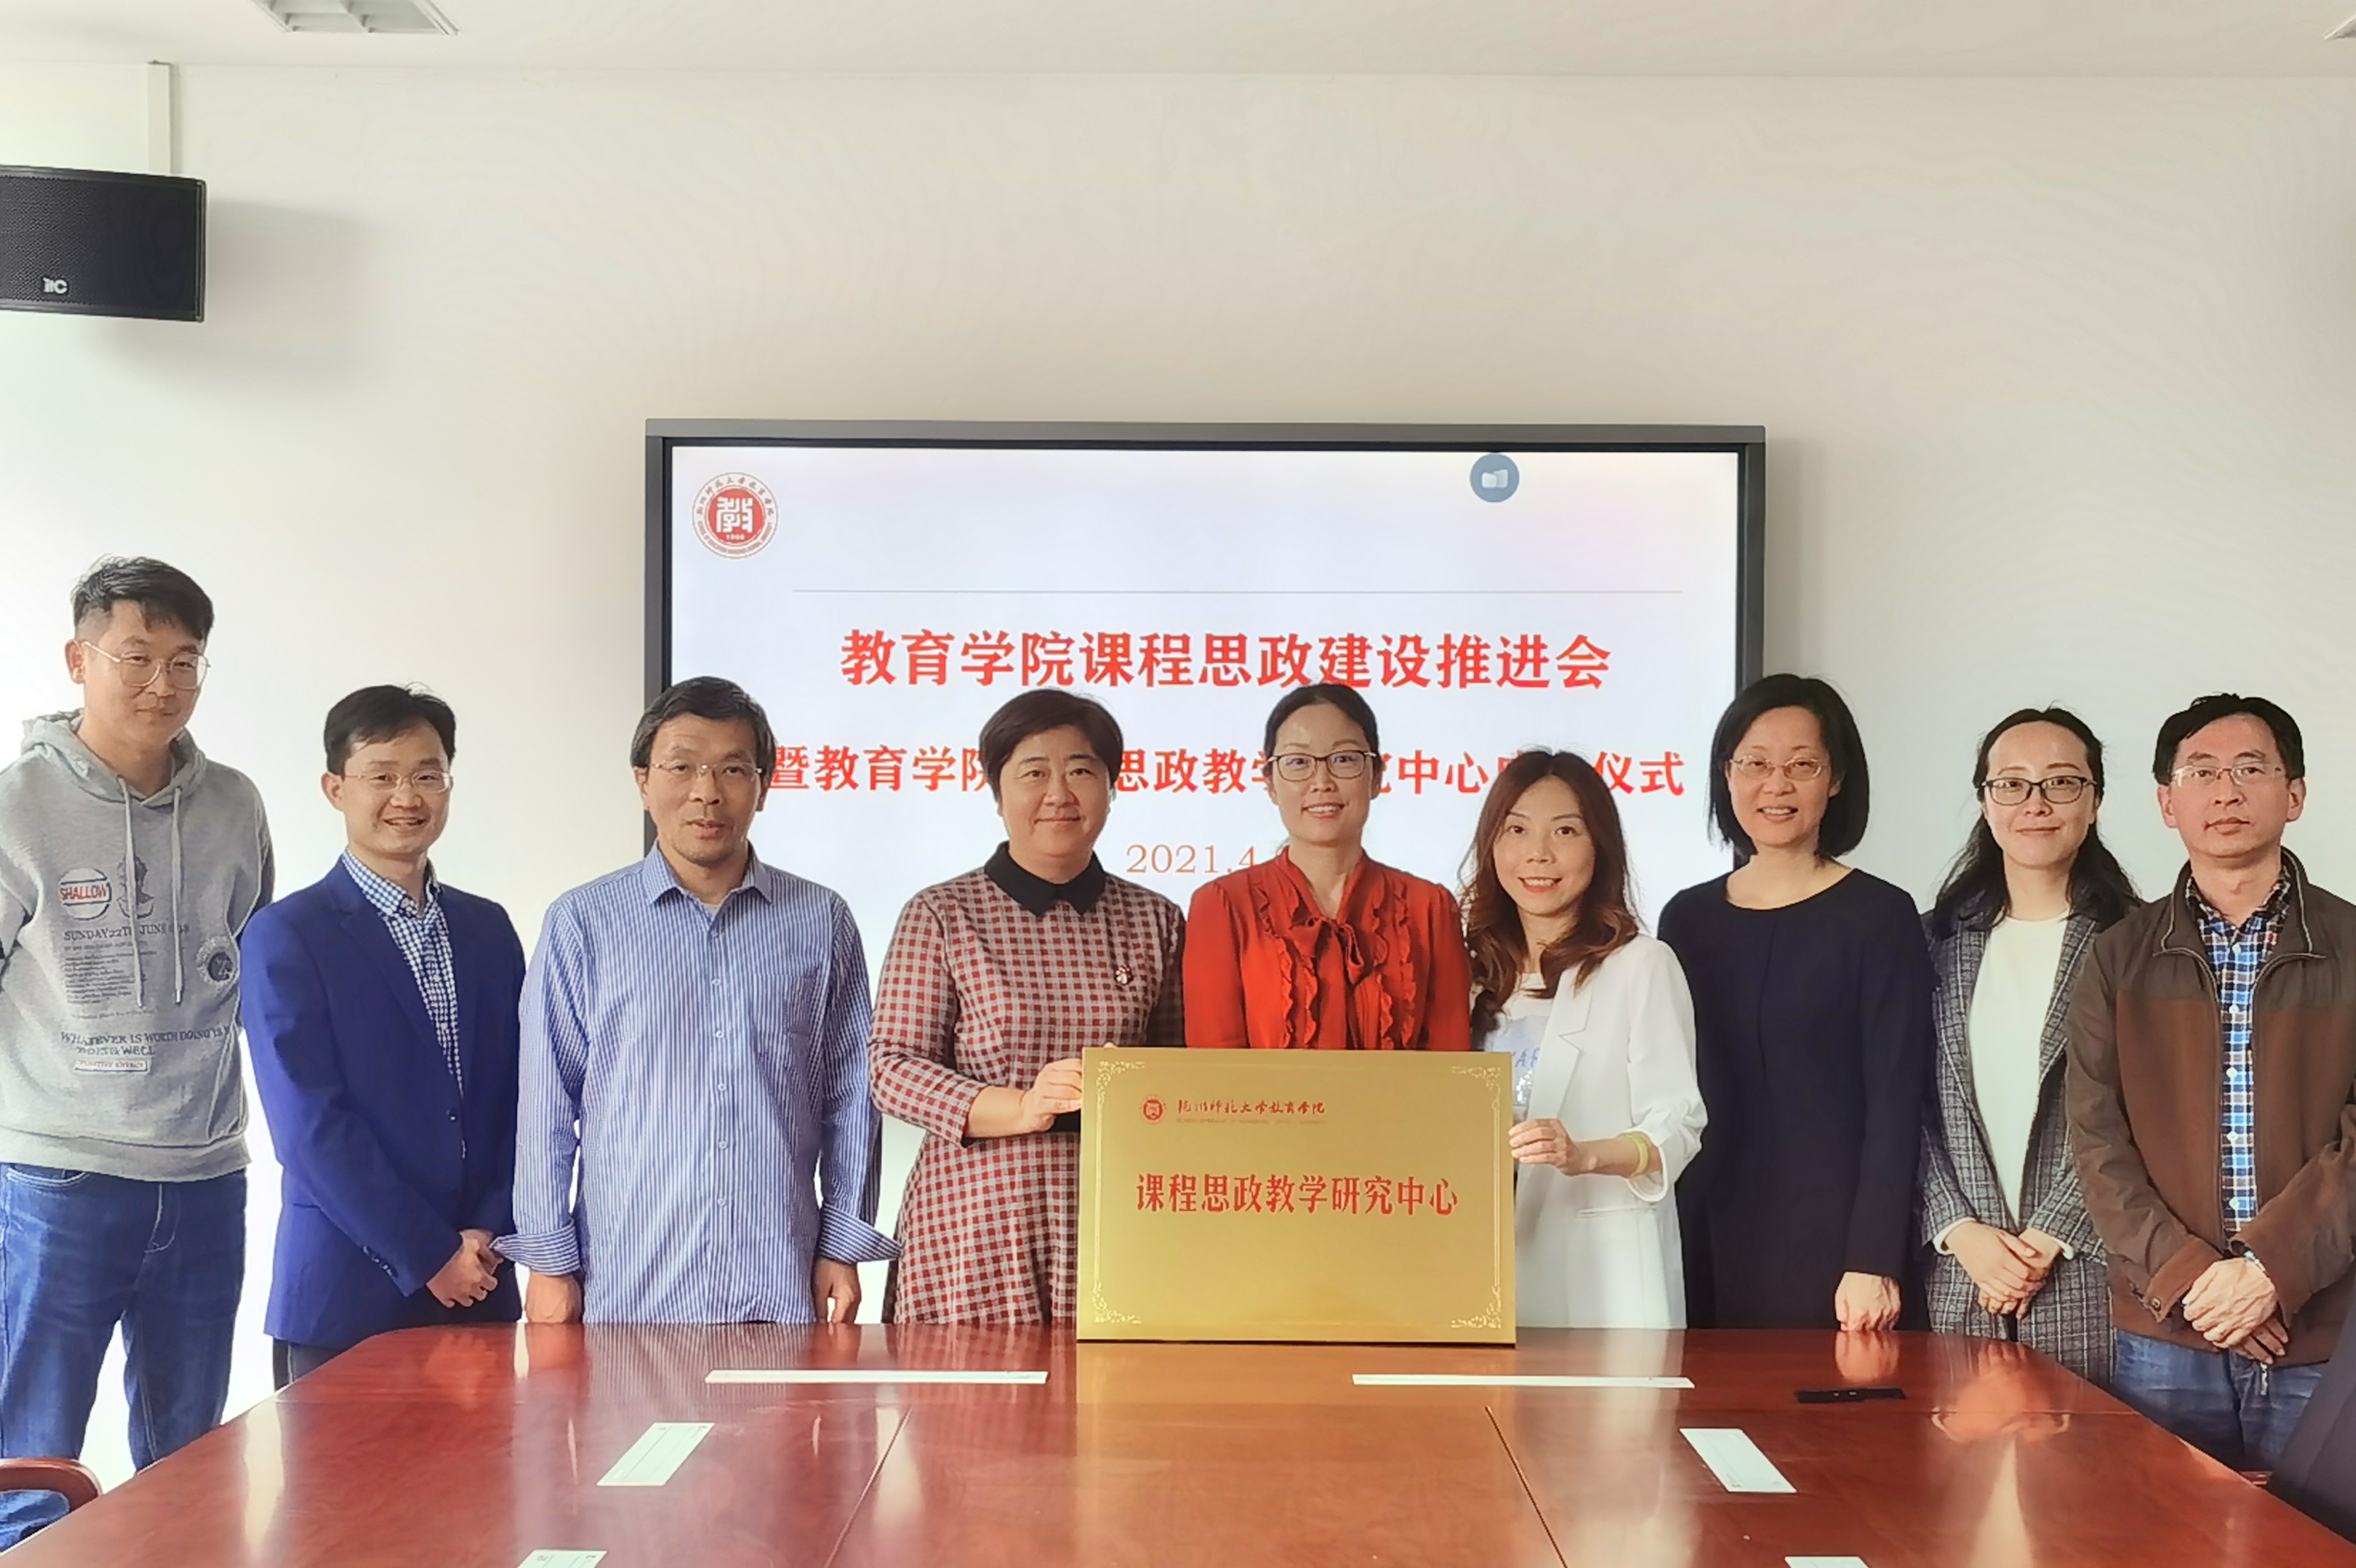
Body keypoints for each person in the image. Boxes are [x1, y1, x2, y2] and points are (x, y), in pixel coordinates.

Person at [0, 558, 273, 1549]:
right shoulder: (16, 807)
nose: (163, 682)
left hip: (205, 1176)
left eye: (185, 660)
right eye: (136, 657)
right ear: (79, 659)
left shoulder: (235, 804)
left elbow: (254, 967)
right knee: (31, 1457)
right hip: (60, 1177)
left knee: (189, 1456)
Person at [499, 677, 893, 1325]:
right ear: (643, 781)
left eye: (733, 769)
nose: (707, 792)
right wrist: (548, 1262)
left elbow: (852, 1097)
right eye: (681, 767)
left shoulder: (820, 920)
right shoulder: (584, 923)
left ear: (764, 786)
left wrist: (842, 1244)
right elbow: (546, 1101)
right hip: (626, 1286)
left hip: (779, 1282)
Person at [2068, 693, 2356, 1471]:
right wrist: (2199, 1281)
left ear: (2295, 794)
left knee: (2317, 1533)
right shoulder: (2118, 957)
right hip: (2168, 1331)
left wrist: (2272, 1272)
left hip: (2318, 1330)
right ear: (2168, 803)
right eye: (2201, 772)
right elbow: (2096, 1138)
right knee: (2161, 1530)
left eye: (2250, 769)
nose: (2226, 791)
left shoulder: (2352, 945)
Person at [241, 687, 526, 1386]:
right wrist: (430, 1254)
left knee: (489, 1466)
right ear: (336, 788)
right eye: (383, 775)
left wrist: (486, 1230)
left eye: (428, 774)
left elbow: (523, 1098)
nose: (407, 795)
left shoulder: (489, 929)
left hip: (481, 1285)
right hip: (346, 1296)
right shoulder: (288, 934)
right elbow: (310, 1126)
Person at [869, 690, 1184, 1323]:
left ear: (1112, 787)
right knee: (975, 1386)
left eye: (1081, 770)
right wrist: (1023, 1106)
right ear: (997, 792)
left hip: (1118, 1211)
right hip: (977, 1217)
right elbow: (892, 1069)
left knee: (1117, 1385)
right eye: (1034, 772)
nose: (1059, 793)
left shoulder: (1156, 919)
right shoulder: (943, 913)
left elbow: (1182, 1068)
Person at [1658, 673, 1932, 1331]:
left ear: (1835, 779)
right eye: (1754, 764)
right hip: (1704, 1229)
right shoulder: (1686, 919)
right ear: (1727, 775)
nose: (1775, 786)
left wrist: (1874, 1257)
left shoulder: (1880, 915)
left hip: (1837, 1247)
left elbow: (1898, 1100)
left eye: (1801, 765)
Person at [1920, 708, 2138, 1385]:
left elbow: (2149, 1109)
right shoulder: (1929, 942)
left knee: (2087, 1452)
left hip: (2088, 1276)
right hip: (1961, 1276)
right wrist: (1958, 1228)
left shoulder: (2139, 942)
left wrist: (2051, 1234)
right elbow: (1904, 1104)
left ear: (2095, 801)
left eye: (2062, 782)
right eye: (2012, 784)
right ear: (1986, 802)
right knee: (1960, 1452)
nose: (2035, 803)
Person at [1463, 750, 1705, 1328]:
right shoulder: (1469, 974)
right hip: (1480, 1264)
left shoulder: (1640, 965)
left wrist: (1584, 1154)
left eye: (1565, 831)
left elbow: (1677, 1125)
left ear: (1600, 846)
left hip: (1603, 1274)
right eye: (1517, 830)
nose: (1538, 854)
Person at [1185, 684, 1471, 1051]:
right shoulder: (1223, 906)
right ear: (1270, 783)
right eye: (1298, 762)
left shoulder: (1429, 909)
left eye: (1345, 759)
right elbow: (1214, 1067)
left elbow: (1450, 1065)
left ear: (1377, 777)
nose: (1321, 783)